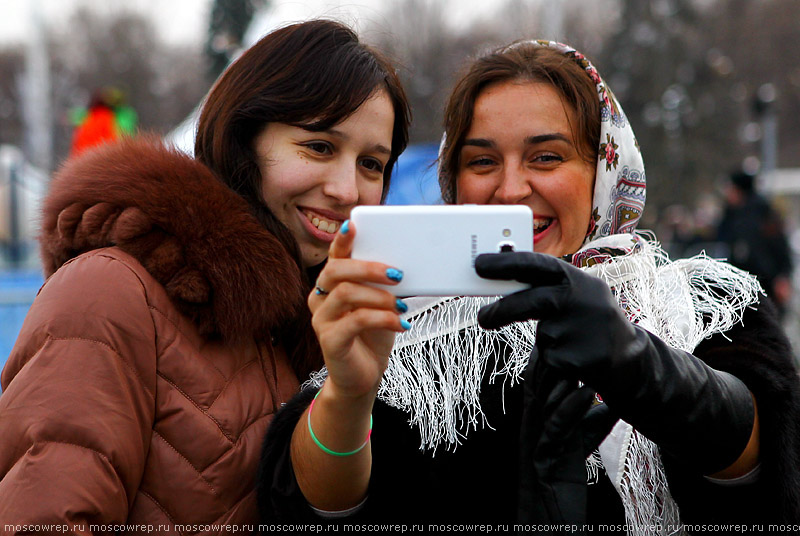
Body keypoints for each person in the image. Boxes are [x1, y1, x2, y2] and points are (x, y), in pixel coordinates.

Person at [258, 40, 800, 528]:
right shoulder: (401, 336)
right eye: (482, 160)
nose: (511, 188)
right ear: (453, 178)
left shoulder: (704, 306)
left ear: (605, 171)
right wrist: (349, 395)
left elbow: (771, 470)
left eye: (547, 157)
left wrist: (637, 361)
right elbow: (308, 511)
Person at [0, 19, 410, 529]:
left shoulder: (320, 324)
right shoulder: (107, 290)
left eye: (372, 164)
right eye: (319, 147)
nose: (348, 190)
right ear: (243, 140)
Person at [717, 169, 793, 316]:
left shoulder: (761, 213)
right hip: (741, 284)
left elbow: (780, 247)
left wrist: (782, 276)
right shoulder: (731, 214)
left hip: (764, 283)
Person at [68, 86, 138, 158]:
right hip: (102, 156)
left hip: (82, 157)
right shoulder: (109, 117)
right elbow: (114, 138)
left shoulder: (88, 117)